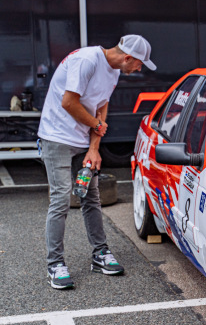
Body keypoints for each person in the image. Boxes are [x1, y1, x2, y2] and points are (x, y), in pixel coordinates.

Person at [38, 35, 156, 289]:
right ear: (127, 57)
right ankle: (55, 264)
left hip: (82, 141)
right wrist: (96, 125)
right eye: (139, 64)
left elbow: (101, 106)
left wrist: (94, 148)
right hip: (56, 137)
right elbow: (69, 102)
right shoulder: (86, 60)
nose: (139, 69)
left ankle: (100, 254)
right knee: (60, 199)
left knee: (90, 196)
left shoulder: (114, 71)